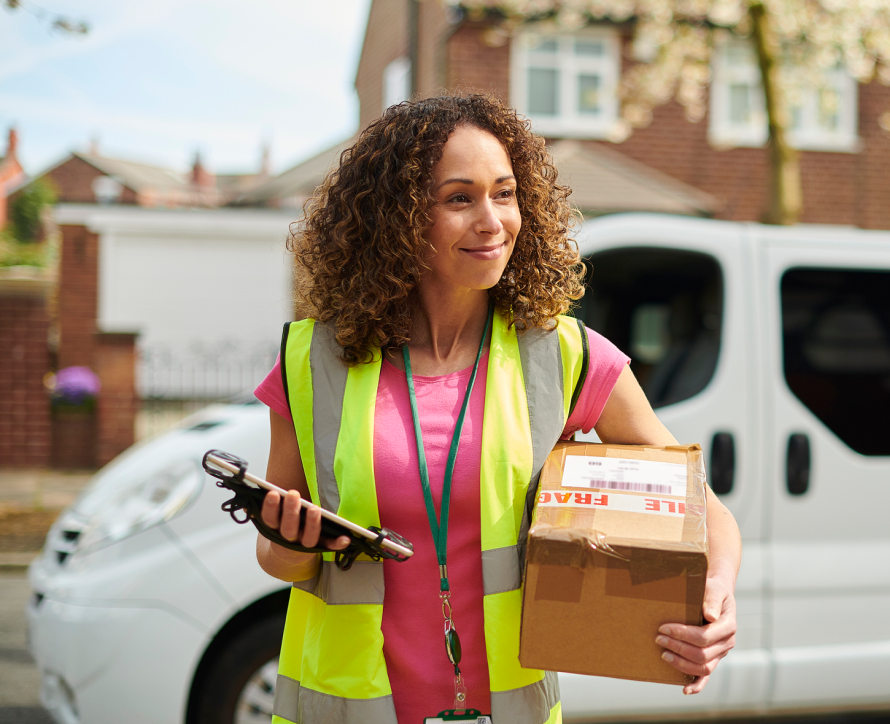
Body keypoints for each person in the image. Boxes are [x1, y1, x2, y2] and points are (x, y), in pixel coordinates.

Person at [252, 94, 741, 724]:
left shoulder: (564, 356)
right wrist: (291, 542)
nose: (492, 221)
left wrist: (716, 594)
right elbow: (279, 561)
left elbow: (703, 506)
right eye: (460, 198)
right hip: (348, 707)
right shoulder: (311, 361)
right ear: (397, 217)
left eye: (505, 194)